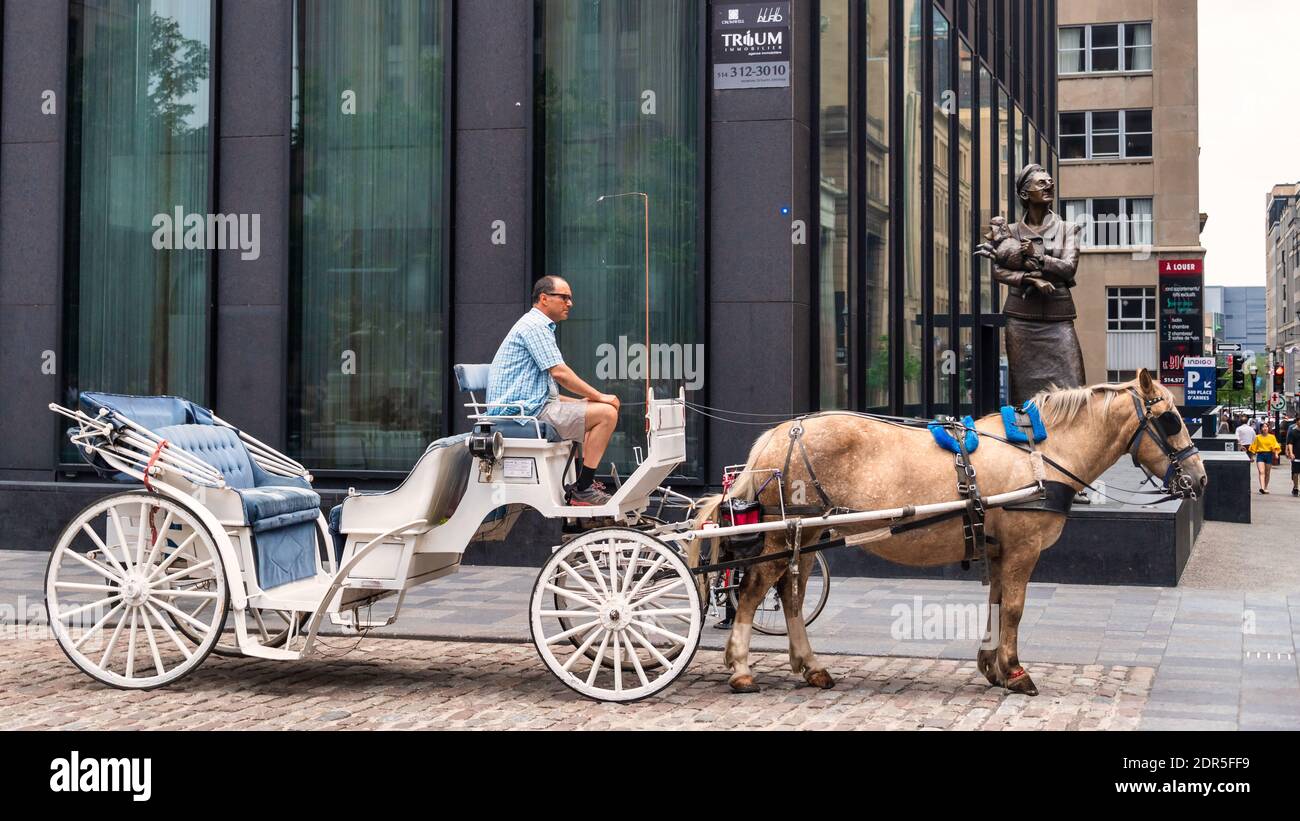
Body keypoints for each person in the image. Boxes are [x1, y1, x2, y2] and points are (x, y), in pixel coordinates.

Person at [486, 275, 621, 505]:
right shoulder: (535, 327)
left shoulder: (538, 326)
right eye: (564, 297)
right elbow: (560, 373)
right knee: (607, 414)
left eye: (571, 298)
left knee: (595, 411)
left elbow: (551, 394)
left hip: (533, 407)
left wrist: (587, 402)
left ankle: (582, 483)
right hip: (522, 415)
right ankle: (584, 488)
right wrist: (599, 396)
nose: (570, 303)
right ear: (544, 298)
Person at [975, 164, 1085, 405]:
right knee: (1025, 399)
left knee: (1074, 391)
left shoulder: (1068, 229)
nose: (1049, 185)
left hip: (1058, 318)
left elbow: (1068, 268)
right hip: (1021, 321)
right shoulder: (1010, 232)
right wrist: (1029, 278)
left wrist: (1039, 256)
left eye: (1050, 182)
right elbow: (998, 272)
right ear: (1025, 194)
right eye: (1041, 183)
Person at [1248, 421, 1282, 494]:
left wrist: (1276, 454)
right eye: (1263, 427)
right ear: (1261, 429)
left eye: (1266, 427)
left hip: (1269, 455)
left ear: (1268, 428)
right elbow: (1253, 447)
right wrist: (1251, 457)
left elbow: (1275, 446)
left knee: (1267, 472)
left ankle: (1266, 487)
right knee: (1261, 472)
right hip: (1260, 455)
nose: (1265, 428)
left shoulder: (1272, 437)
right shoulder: (1258, 437)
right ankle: (1262, 488)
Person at [1287, 419, 1300, 497]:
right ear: (1297, 422)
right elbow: (1290, 443)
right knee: (1295, 473)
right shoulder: (1293, 432)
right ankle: (1295, 487)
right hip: (1296, 455)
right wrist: (1291, 453)